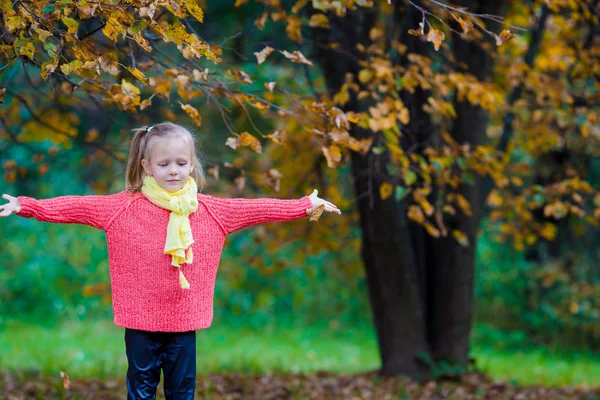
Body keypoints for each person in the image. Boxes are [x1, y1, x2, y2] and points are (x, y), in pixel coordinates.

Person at [0, 121, 340, 400]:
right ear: (147, 166)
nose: (173, 171)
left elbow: (257, 208)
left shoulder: (210, 210)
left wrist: (304, 206)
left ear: (191, 164)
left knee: (181, 393)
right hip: (139, 323)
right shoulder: (124, 206)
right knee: (141, 391)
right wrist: (27, 205)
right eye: (164, 164)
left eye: (180, 163)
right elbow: (75, 206)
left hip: (183, 323)